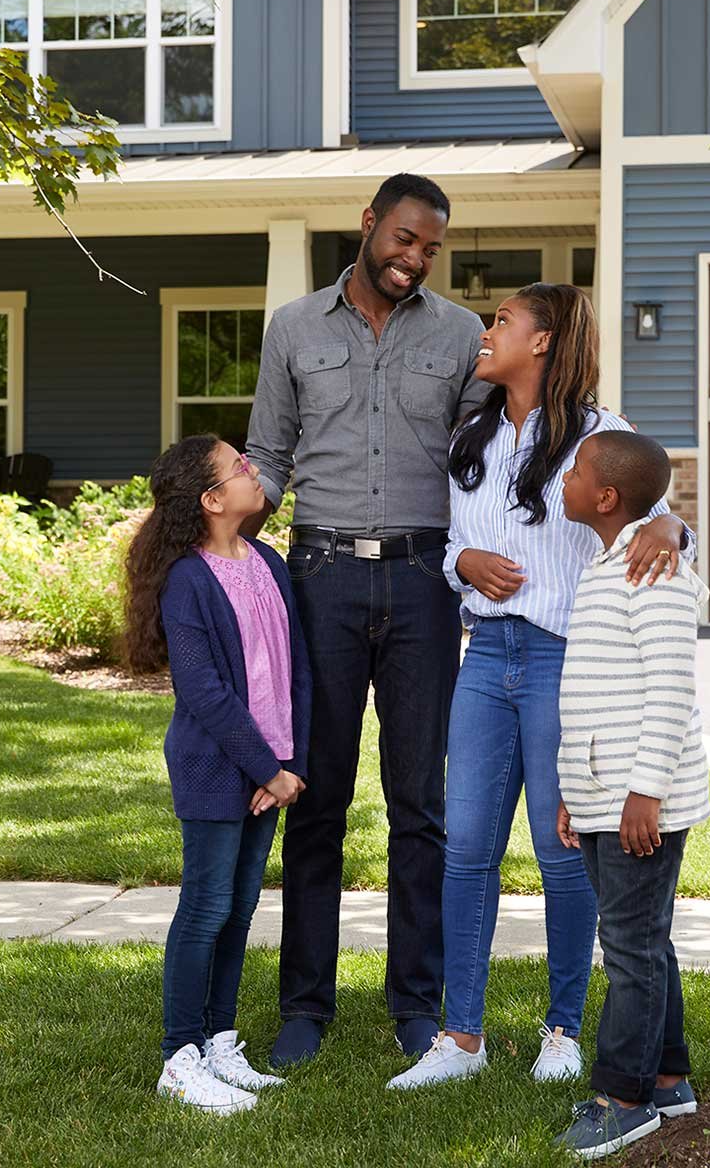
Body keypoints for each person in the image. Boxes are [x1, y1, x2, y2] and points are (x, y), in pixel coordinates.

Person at [387, 284, 694, 1092]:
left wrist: (675, 524)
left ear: (547, 341)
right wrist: (464, 565)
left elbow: (651, 514)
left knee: (564, 852)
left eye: (502, 323)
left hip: (567, 663)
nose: (486, 335)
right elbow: (453, 540)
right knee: (466, 847)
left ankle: (562, 1029)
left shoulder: (602, 436)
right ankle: (461, 1038)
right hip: (486, 659)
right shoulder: (474, 436)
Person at [245, 173, 488, 1066]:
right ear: (369, 225)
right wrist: (227, 534)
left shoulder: (463, 335)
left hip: (427, 580)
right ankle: (305, 1008)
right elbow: (269, 453)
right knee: (316, 800)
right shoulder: (294, 329)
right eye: (404, 239)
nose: (414, 259)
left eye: (430, 249)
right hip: (322, 578)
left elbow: (497, 460)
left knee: (420, 804)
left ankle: (415, 1006)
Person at [123, 434, 312, 1114]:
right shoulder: (188, 581)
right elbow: (204, 694)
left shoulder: (267, 560)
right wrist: (267, 766)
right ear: (210, 500)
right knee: (204, 909)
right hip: (216, 768)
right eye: (239, 467)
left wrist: (289, 764)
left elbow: (296, 673)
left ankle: (220, 1040)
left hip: (271, 772)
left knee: (238, 908)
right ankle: (180, 1055)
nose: (252, 471)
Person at [552, 429, 710, 1159]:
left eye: (577, 471)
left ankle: (624, 1096)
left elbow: (671, 686)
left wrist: (644, 791)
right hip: (602, 796)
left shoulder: (656, 567)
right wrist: (572, 794)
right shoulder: (610, 559)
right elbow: (597, 694)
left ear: (606, 497)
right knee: (644, 941)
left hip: (638, 803)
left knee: (628, 950)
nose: (567, 478)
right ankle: (670, 1078)